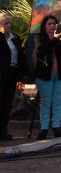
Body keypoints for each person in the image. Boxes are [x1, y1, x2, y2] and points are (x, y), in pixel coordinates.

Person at [30, 15, 61, 139]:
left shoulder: (60, 37)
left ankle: (56, 127)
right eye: (49, 24)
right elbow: (41, 52)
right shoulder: (39, 38)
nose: (52, 26)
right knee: (45, 102)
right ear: (44, 26)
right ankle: (44, 128)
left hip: (60, 75)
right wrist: (54, 39)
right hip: (44, 75)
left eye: (54, 24)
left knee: (57, 101)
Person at [0, 13, 28, 141]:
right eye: (6, 23)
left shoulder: (14, 38)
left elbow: (21, 55)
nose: (9, 25)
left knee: (7, 103)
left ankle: (3, 131)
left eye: (9, 23)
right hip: (1, 73)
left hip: (12, 73)